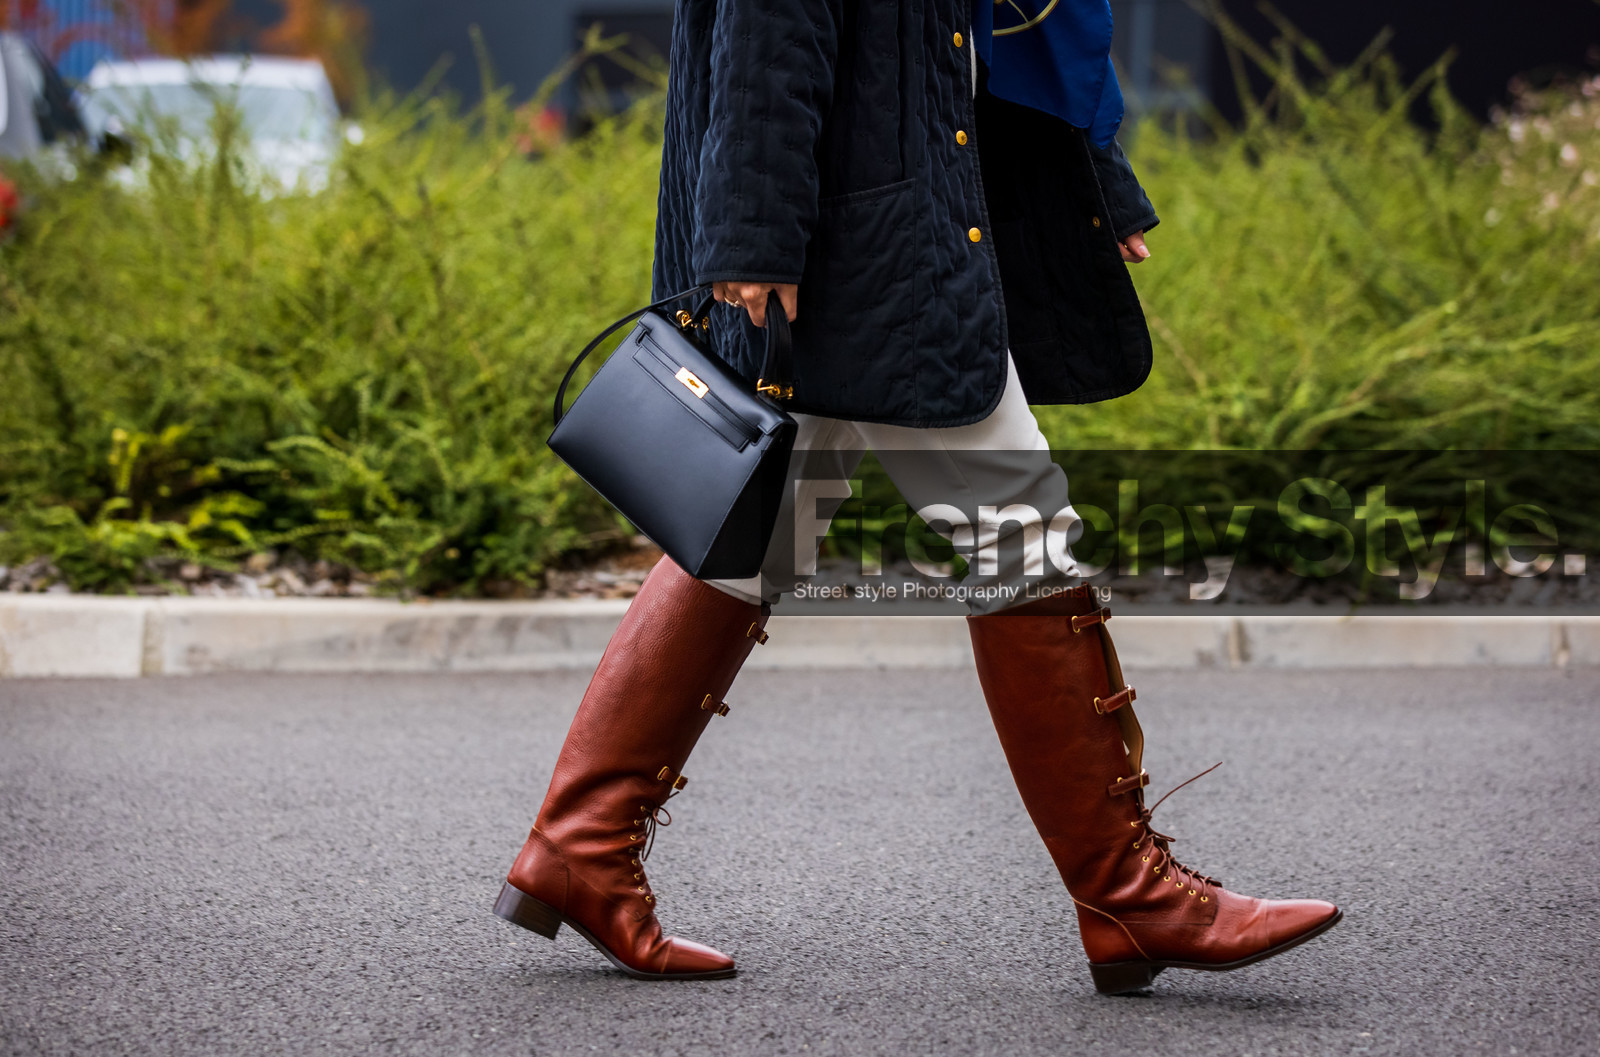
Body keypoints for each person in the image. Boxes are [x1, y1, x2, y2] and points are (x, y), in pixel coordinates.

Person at [493, 0, 1340, 993]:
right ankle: (1130, 891)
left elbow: (980, 38)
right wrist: (753, 237)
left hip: (880, 218)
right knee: (1018, 531)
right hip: (865, 241)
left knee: (760, 530)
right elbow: (771, 31)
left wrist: (1093, 189)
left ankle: (580, 845)